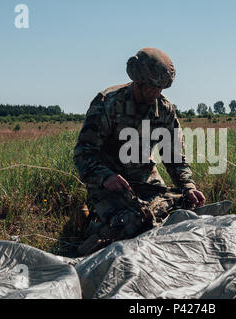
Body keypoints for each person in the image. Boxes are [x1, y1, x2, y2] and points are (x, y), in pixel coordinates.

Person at [73, 47, 206, 245]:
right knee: (129, 224)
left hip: (144, 178)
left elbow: (174, 157)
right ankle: (87, 224)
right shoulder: (108, 103)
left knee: (180, 209)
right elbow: (83, 153)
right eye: (152, 86)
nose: (157, 92)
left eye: (161, 88)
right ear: (138, 80)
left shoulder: (164, 110)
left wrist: (188, 186)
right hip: (111, 182)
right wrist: (105, 176)